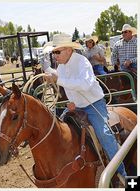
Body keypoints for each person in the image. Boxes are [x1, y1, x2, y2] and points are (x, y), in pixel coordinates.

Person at [43, 33, 127, 181]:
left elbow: (85, 84)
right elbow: (70, 86)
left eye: (57, 51)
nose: (54, 55)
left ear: (69, 50)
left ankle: (122, 175)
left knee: (104, 135)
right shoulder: (61, 67)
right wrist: (71, 100)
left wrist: (59, 79)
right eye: (53, 52)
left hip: (94, 104)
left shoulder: (82, 62)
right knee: (58, 130)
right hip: (77, 106)